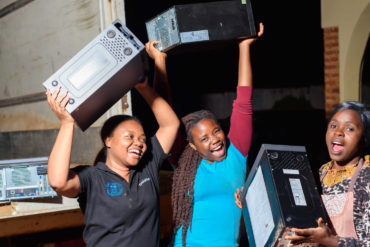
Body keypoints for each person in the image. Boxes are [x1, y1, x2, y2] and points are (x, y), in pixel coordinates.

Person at [46, 41, 180, 247]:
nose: (139, 143)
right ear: (108, 140)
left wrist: (143, 87)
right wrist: (67, 123)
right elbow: (58, 182)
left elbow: (170, 125)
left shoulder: (147, 169)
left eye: (143, 139)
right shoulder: (92, 178)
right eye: (129, 136)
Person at [171, 23, 264, 247]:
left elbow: (243, 102)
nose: (214, 140)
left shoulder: (236, 152)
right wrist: (160, 65)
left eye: (216, 131)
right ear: (192, 146)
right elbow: (166, 122)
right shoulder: (185, 163)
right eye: (204, 139)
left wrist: (244, 46)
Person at [283, 101, 370, 246]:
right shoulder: (321, 173)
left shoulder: (366, 177)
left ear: (364, 138)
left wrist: (331, 241)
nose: (338, 132)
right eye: (333, 126)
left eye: (350, 129)